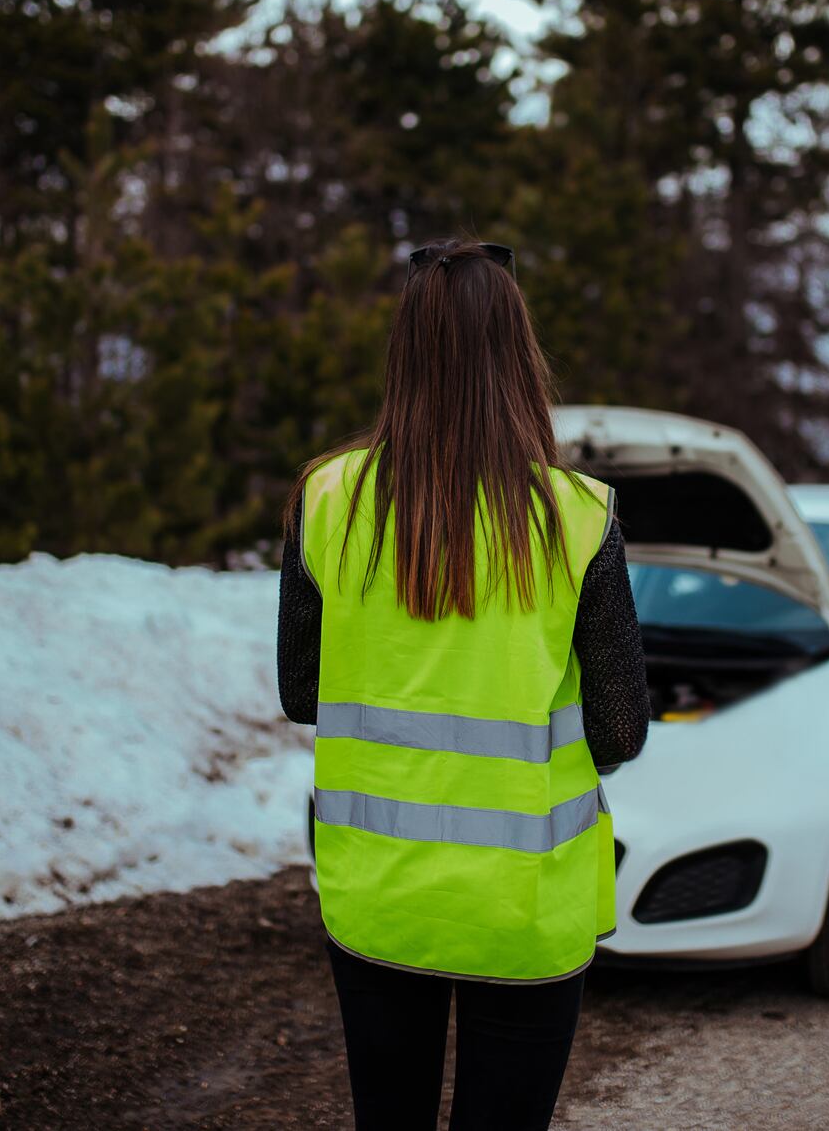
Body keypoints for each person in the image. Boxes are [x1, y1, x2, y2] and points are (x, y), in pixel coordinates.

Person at [275, 237, 649, 1131]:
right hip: (524, 910)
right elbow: (618, 731)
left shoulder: (326, 500)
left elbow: (302, 694)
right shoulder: (577, 516)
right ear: (518, 357)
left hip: (378, 898)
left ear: (404, 352)